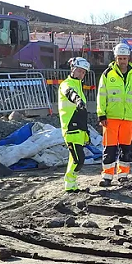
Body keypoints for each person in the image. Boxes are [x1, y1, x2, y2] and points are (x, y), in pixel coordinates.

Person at [97, 42, 132, 186]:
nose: (122, 61)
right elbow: (101, 95)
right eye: (120, 58)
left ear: (128, 58)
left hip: (128, 119)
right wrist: (102, 114)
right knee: (109, 148)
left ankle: (123, 175)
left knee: (126, 148)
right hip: (111, 118)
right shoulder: (107, 74)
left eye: (124, 58)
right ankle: (107, 176)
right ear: (115, 58)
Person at [59, 57, 91, 192]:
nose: (81, 74)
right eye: (79, 71)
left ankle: (71, 186)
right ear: (73, 69)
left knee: (74, 159)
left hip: (79, 129)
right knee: (79, 159)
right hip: (70, 128)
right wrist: (77, 100)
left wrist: (86, 131)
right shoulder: (66, 84)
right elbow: (70, 93)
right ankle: (69, 182)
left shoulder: (79, 86)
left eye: (84, 72)